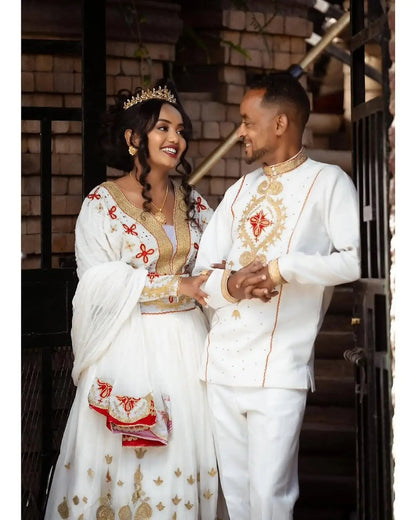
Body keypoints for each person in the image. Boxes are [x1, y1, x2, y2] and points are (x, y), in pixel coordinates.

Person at [45, 79, 221, 520]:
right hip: (130, 347)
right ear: (132, 138)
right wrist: (173, 285)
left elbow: (220, 258)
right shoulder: (101, 203)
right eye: (164, 128)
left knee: (192, 455)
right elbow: (97, 281)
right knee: (130, 465)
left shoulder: (195, 203)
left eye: (181, 130)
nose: (176, 139)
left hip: (191, 345)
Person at [193, 72, 361, 520]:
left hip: (279, 369)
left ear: (281, 123)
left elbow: (355, 260)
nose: (241, 132)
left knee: (270, 500)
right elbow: (200, 271)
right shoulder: (239, 190)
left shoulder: (329, 182)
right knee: (234, 499)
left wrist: (281, 268)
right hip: (222, 366)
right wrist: (231, 284)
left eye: (248, 121)